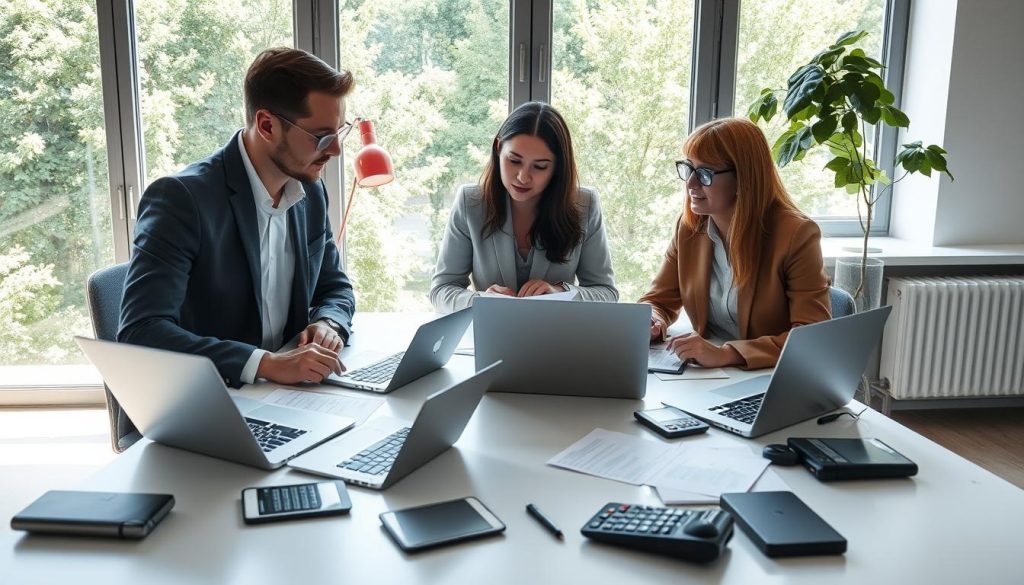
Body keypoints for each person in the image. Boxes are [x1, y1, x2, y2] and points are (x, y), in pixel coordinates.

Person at [119, 48, 357, 387]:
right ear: (267, 125)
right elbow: (141, 332)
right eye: (322, 137)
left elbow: (335, 287)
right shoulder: (182, 200)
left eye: (339, 133)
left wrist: (328, 324)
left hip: (289, 393)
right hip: (212, 399)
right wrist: (266, 364)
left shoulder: (310, 191)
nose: (335, 151)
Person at [639, 117, 830, 370]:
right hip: (713, 374)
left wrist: (727, 354)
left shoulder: (796, 234)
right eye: (688, 168)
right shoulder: (690, 228)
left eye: (705, 173)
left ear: (743, 178)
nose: (691, 184)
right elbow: (659, 300)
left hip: (771, 376)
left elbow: (811, 338)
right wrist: (653, 320)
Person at [430, 101, 617, 313]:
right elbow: (441, 290)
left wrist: (561, 293)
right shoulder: (470, 202)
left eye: (540, 166)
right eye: (514, 160)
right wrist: (481, 300)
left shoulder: (585, 205)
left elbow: (606, 293)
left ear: (557, 168)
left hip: (558, 340)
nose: (523, 177)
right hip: (491, 338)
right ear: (498, 148)